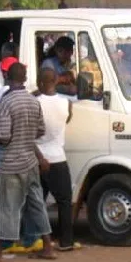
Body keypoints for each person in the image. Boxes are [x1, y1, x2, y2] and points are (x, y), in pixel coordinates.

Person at [0, 63, 56, 261]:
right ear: (24, 78)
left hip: (11, 163)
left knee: (3, 207)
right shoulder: (33, 101)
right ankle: (48, 246)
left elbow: (4, 136)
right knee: (37, 205)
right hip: (30, 161)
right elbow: (40, 131)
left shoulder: (6, 102)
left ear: (7, 76)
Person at [36, 68, 79, 252]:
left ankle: (38, 239)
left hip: (38, 157)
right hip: (58, 157)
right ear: (56, 81)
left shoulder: (34, 102)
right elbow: (66, 121)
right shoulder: (66, 103)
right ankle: (66, 241)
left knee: (37, 202)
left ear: (39, 82)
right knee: (64, 201)